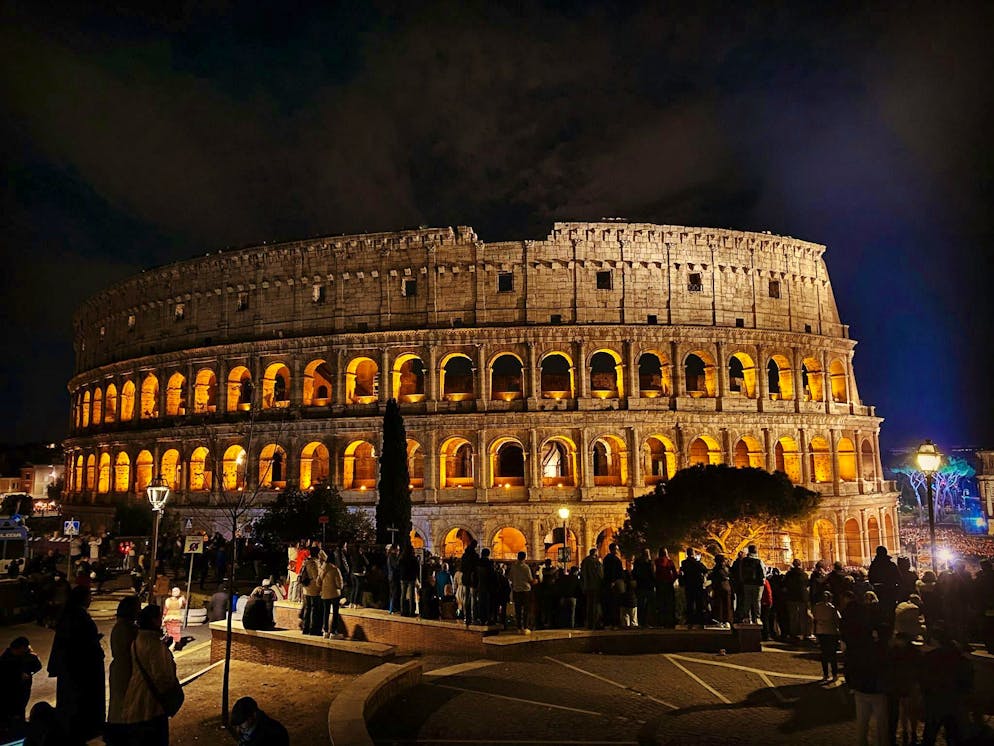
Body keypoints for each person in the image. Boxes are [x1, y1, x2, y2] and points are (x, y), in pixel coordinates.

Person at [48, 585, 105, 744]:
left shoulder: (68, 614)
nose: (91, 599)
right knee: (79, 706)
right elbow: (80, 643)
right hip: (81, 671)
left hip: (71, 669)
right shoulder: (78, 616)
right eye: (89, 596)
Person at [120, 605, 182, 745]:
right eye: (159, 618)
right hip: (151, 706)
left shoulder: (137, 640)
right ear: (154, 620)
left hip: (134, 699)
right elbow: (164, 677)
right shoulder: (154, 644)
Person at [106, 596, 140, 746]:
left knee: (117, 702)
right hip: (127, 669)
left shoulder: (119, 627)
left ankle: (115, 732)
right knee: (125, 703)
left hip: (119, 668)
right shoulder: (128, 629)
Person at [0, 636, 42, 737]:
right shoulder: (5, 659)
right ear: (15, 649)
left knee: (20, 709)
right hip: (10, 691)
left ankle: (19, 730)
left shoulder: (28, 655)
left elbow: (38, 666)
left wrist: (29, 673)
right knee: (10, 712)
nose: (24, 651)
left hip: (23, 690)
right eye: (21, 650)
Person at [812, 591, 841, 681]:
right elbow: (838, 619)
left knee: (824, 654)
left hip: (821, 631)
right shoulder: (832, 608)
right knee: (832, 655)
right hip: (831, 632)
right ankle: (834, 674)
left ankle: (825, 674)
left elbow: (815, 618)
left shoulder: (817, 606)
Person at [737, 544, 766, 625]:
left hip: (746, 583)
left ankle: (747, 617)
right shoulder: (758, 560)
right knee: (757, 601)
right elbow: (763, 573)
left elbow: (741, 572)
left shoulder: (743, 561)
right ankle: (757, 618)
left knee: (747, 601)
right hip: (757, 584)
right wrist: (763, 582)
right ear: (756, 550)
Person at [319, 550, 346, 637]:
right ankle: (333, 632)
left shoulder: (322, 569)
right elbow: (339, 585)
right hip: (334, 594)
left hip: (325, 594)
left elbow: (318, 582)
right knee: (335, 613)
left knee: (325, 612)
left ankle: (325, 631)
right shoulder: (335, 569)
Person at [680, 548, 708, 628]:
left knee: (690, 603)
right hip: (697, 585)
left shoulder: (684, 563)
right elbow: (705, 570)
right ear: (693, 554)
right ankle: (699, 619)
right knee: (699, 603)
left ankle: (690, 619)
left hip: (688, 585)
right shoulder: (697, 563)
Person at [508, 550, 533, 632]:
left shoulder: (513, 567)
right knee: (526, 610)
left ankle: (518, 627)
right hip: (525, 590)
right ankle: (525, 627)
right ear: (524, 557)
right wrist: (535, 581)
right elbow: (530, 579)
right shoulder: (526, 567)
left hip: (516, 590)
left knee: (518, 610)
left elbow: (510, 578)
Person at [300, 551, 322, 635]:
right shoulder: (314, 563)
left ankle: (305, 628)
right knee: (314, 609)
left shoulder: (305, 562)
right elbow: (316, 577)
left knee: (307, 608)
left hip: (306, 589)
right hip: (313, 589)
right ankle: (313, 629)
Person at [654, 547, 678, 628]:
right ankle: (670, 621)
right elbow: (675, 573)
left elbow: (654, 573)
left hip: (660, 585)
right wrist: (672, 581)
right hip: (668, 584)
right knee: (669, 603)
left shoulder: (656, 562)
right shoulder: (670, 562)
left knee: (661, 603)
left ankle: (661, 621)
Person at [580, 548, 603, 630]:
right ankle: (596, 623)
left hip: (587, 586)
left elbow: (582, 574)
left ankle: (589, 624)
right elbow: (600, 574)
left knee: (589, 606)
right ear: (595, 553)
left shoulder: (584, 561)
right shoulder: (596, 562)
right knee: (596, 606)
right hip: (595, 586)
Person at [631, 548, 655, 627]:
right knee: (647, 605)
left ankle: (641, 622)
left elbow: (634, 573)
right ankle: (646, 622)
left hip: (640, 585)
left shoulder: (637, 562)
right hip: (648, 586)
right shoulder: (649, 563)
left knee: (641, 604)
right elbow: (652, 574)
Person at [602, 543, 623, 629]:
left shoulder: (606, 558)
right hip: (613, 583)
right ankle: (614, 623)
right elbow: (614, 572)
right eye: (616, 549)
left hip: (608, 583)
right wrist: (613, 581)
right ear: (613, 549)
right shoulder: (614, 559)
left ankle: (608, 623)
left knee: (609, 604)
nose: (617, 551)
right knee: (614, 604)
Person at [709, 555, 732, 628]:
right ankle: (727, 621)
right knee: (727, 605)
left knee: (719, 605)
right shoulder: (724, 569)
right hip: (726, 588)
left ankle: (720, 620)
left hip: (718, 588)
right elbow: (727, 576)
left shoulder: (715, 569)